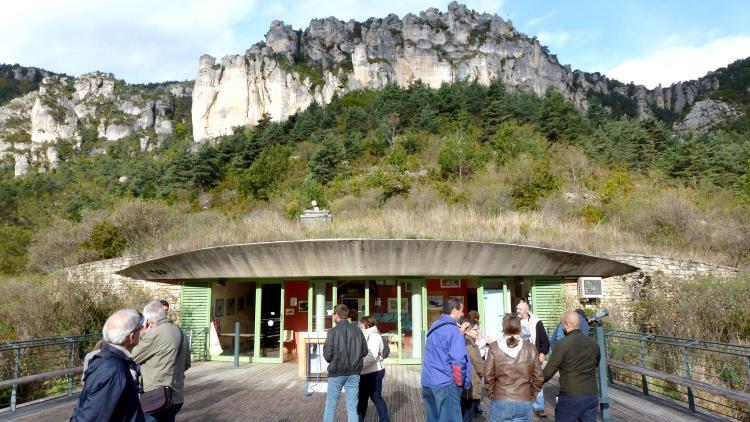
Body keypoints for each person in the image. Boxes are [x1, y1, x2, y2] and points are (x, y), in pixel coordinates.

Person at [70, 309, 145, 422]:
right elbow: (91, 417)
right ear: (132, 336)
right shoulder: (114, 370)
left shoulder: (105, 359)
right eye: (140, 327)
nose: (143, 330)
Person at [132, 300, 191, 422]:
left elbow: (131, 357)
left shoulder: (154, 334)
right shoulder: (181, 332)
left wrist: (142, 334)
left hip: (156, 398)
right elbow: (187, 364)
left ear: (148, 320)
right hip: (176, 396)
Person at [484, 314, 544, 422]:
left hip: (501, 398)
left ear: (503, 328)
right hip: (524, 399)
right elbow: (539, 377)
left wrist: (492, 394)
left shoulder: (494, 347)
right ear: (519, 328)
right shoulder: (530, 348)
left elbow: (488, 376)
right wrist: (532, 394)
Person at [543, 311, 601, 422]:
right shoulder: (593, 343)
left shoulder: (563, 344)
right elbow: (596, 363)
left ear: (567, 325)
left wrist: (532, 386)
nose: (562, 327)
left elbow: (548, 372)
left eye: (562, 324)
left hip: (571, 396)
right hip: (591, 395)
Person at [421, 297, 472, 422]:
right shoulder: (454, 332)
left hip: (428, 380)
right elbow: (458, 363)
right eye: (461, 311)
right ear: (454, 311)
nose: (462, 314)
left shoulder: (434, 326)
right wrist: (460, 385)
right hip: (446, 384)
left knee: (433, 418)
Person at [323, 304, 369, 422]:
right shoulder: (358, 330)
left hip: (336, 373)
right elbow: (364, 352)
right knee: (352, 407)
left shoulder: (332, 332)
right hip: (354, 373)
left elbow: (327, 356)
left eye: (333, 314)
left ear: (337, 315)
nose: (333, 316)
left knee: (331, 406)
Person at [515, 300, 550, 418]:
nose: (517, 311)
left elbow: (545, 340)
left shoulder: (536, 322)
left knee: (537, 380)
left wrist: (543, 353)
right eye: (517, 309)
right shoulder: (516, 322)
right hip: (521, 356)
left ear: (526, 310)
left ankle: (539, 406)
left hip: (534, 355)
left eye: (519, 309)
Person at [357, 316, 390, 422]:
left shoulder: (374, 336)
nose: (360, 325)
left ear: (368, 324)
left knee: (376, 397)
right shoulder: (364, 335)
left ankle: (385, 420)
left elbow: (372, 356)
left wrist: (358, 366)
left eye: (362, 323)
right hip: (365, 372)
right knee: (362, 399)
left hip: (374, 372)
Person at [461, 314, 484, 421]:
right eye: (475, 329)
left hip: (462, 381)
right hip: (470, 381)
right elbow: (478, 362)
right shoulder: (469, 341)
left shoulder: (459, 338)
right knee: (468, 412)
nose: (477, 332)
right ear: (468, 329)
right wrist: (483, 372)